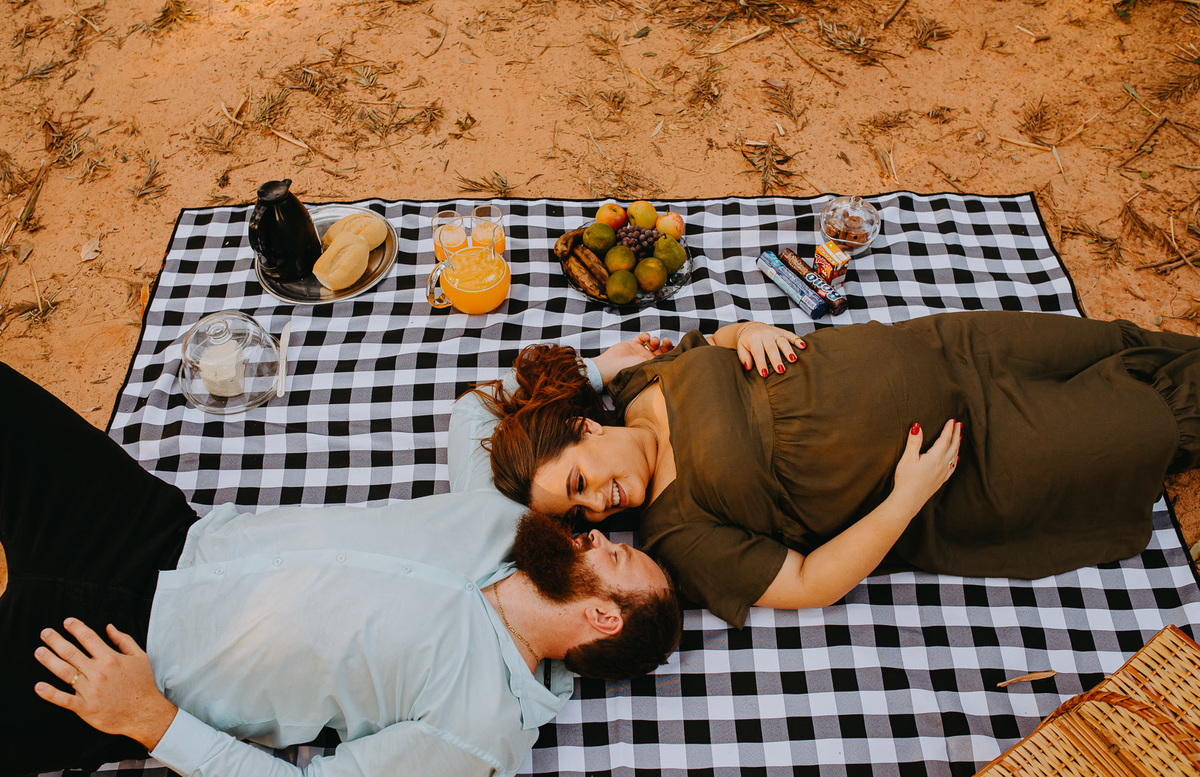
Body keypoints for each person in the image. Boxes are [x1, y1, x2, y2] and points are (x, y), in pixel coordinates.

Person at [0, 353, 681, 777]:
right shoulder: (511, 524)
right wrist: (592, 373)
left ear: (602, 615)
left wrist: (150, 720)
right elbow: (476, 413)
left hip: (122, 659)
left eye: (614, 554)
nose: (593, 536)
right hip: (154, 533)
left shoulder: (480, 729)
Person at [469, 311, 1200, 628]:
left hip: (948, 347)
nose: (601, 502)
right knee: (1150, 422)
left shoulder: (638, 382)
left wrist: (742, 331)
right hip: (967, 461)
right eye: (585, 513)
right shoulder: (676, 532)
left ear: (583, 426)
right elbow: (810, 582)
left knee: (1115, 343)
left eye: (579, 481)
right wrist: (907, 497)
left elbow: (715, 340)